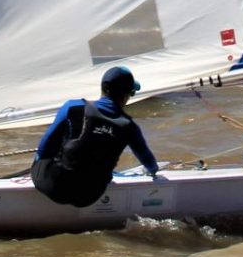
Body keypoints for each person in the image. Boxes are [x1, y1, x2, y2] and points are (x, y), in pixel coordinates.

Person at [31, 65, 162, 207]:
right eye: (130, 93)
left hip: (54, 188)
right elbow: (148, 161)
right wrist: (153, 171)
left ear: (104, 88)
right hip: (89, 196)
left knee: (54, 148)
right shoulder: (129, 126)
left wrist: (41, 164)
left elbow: (44, 147)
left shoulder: (72, 107)